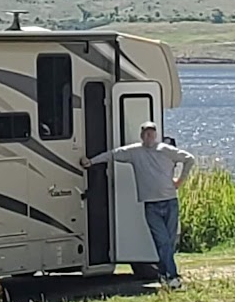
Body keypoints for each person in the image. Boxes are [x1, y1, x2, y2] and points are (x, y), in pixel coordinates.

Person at [79, 121, 196, 288]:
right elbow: (112, 155)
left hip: (170, 201)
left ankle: (163, 275)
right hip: (151, 205)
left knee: (168, 243)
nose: (149, 136)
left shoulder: (166, 150)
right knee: (162, 241)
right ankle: (173, 277)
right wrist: (91, 162)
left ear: (156, 135)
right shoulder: (134, 152)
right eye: (146, 133)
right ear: (141, 135)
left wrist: (180, 180)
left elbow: (189, 159)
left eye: (152, 133)